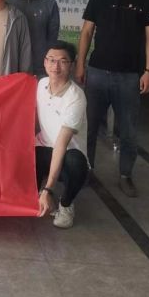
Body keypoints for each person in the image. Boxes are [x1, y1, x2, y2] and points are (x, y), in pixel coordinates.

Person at [75, 0, 149, 197]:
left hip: (130, 75)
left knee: (128, 130)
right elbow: (87, 32)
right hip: (97, 72)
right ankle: (86, 170)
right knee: (89, 127)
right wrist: (80, 64)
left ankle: (125, 175)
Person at [36, 41, 90, 229]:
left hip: (67, 153)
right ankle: (36, 195)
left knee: (76, 163)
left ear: (72, 65)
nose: (56, 66)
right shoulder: (41, 85)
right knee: (21, 152)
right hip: (44, 148)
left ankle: (66, 204)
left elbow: (61, 143)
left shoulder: (76, 97)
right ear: (45, 62)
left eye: (63, 61)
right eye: (51, 60)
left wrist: (48, 188)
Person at [7, 0, 60, 76]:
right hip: (10, 67)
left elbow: (52, 40)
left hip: (39, 68)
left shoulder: (50, 4)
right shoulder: (7, 2)